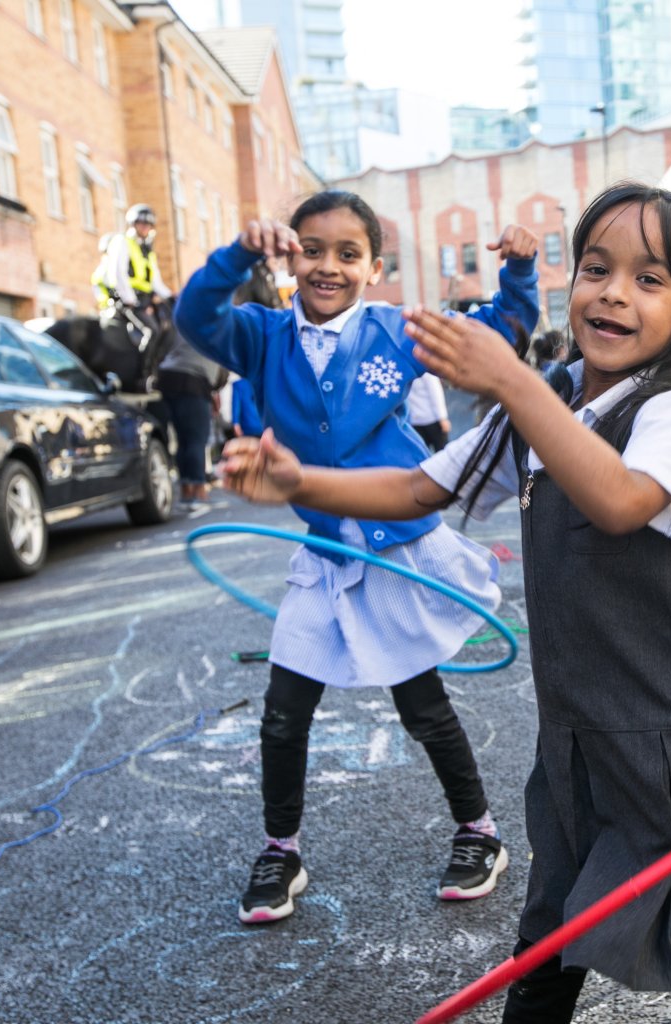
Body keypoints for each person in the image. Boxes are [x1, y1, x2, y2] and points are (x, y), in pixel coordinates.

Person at [219, 182, 671, 1022]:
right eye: (596, 269)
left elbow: (621, 499)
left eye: (649, 279)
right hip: (577, 749)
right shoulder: (551, 403)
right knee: (543, 957)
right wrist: (300, 482)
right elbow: (418, 487)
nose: (613, 293)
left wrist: (515, 383)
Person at [173, 189, 541, 923]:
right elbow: (194, 317)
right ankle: (281, 849)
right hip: (321, 555)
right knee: (283, 713)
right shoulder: (261, 336)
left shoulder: (397, 331)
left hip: (394, 547)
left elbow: (500, 334)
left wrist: (521, 271)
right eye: (312, 250)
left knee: (422, 706)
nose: (328, 267)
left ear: (375, 268)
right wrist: (238, 255)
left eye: (348, 254)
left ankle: (480, 832)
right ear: (290, 259)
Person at [156, 333, 229, 507]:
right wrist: (214, 389)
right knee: (196, 440)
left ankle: (186, 492)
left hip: (166, 378)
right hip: (194, 382)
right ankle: (199, 492)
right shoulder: (215, 329)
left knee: (183, 440)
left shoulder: (180, 324)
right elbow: (224, 368)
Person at [93, 203, 173, 343]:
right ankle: (146, 358)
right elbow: (118, 273)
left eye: (148, 225)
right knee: (151, 331)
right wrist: (130, 300)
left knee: (167, 327)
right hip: (131, 300)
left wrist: (171, 297)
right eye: (141, 224)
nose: (145, 228)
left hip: (145, 299)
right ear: (133, 224)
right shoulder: (122, 241)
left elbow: (155, 281)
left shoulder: (147, 250)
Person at [406, 371, 450, 452]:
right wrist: (442, 418)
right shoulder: (427, 373)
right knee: (441, 451)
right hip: (427, 420)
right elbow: (436, 394)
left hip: (421, 420)